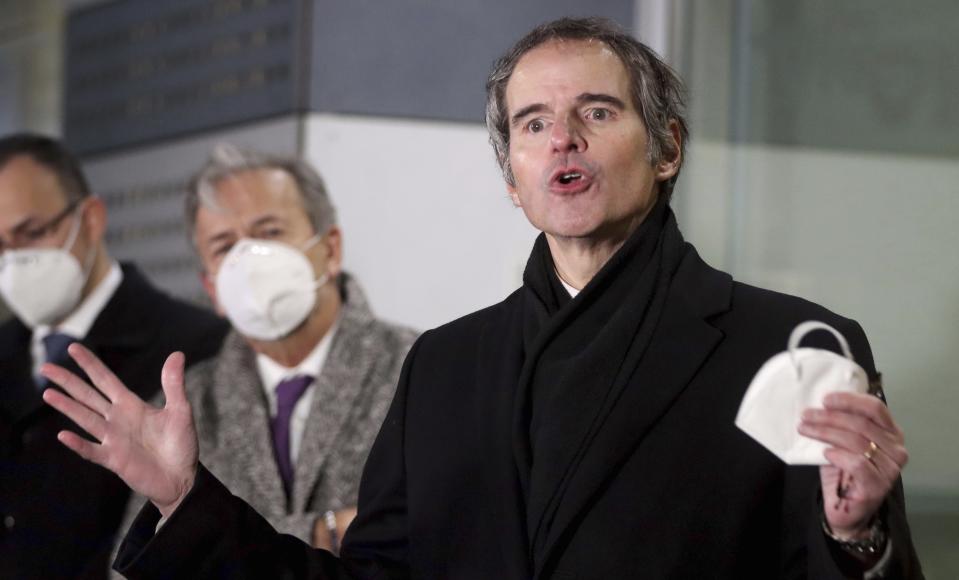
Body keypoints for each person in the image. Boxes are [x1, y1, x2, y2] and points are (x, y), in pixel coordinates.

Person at [42, 18, 924, 580]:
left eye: (597, 112)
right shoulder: (448, 364)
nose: (561, 138)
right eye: (532, 124)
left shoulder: (785, 347)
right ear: (513, 177)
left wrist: (857, 539)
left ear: (666, 150)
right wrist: (186, 499)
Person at [110, 146, 418, 571]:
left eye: (269, 232)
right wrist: (321, 531)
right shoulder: (189, 403)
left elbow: (441, 535)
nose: (249, 261)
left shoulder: (418, 367)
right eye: (224, 247)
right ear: (211, 287)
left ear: (330, 250)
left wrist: (201, 533)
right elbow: (143, 561)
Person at [0, 133, 229, 579]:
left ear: (90, 218)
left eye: (31, 233)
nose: (14, 261)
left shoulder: (195, 345)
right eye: (0, 246)